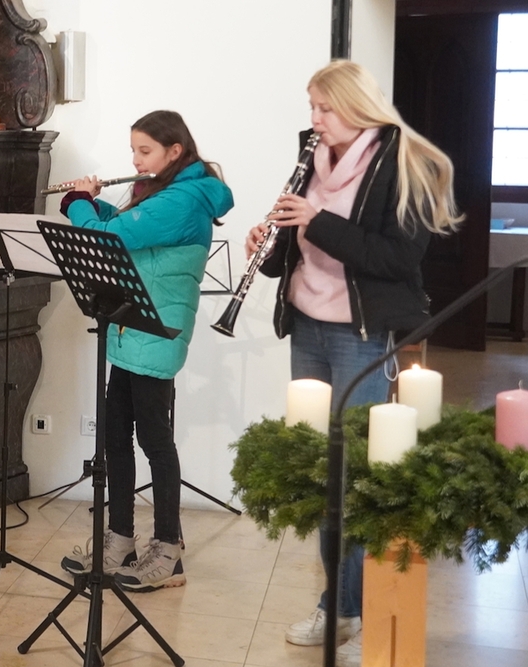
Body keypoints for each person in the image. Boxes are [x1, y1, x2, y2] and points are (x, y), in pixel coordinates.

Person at [246, 60, 462, 666]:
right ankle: (337, 606)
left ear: (357, 107)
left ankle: (367, 611)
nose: (314, 119)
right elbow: (296, 248)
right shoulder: (312, 157)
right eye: (311, 108)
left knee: (358, 477)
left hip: (361, 335)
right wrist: (269, 246)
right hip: (307, 326)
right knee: (321, 472)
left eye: (325, 108)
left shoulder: (406, 163)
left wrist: (318, 222)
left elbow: (397, 259)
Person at [58, 110, 234, 592]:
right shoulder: (162, 191)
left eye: (145, 151)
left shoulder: (185, 198)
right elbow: (125, 225)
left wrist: (78, 202)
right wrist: (93, 203)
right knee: (115, 436)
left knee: (155, 441)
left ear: (175, 151)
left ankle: (169, 551)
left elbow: (112, 238)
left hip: (157, 332)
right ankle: (120, 540)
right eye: (133, 151)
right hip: (131, 328)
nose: (135, 160)